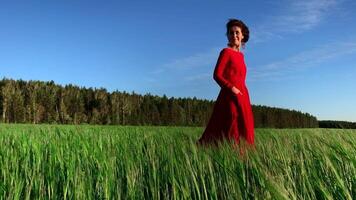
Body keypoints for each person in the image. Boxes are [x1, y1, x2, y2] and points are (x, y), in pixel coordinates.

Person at [198, 18, 255, 150]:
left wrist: (240, 92)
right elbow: (217, 75)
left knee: (244, 126)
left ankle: (243, 158)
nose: (234, 35)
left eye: (237, 32)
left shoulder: (242, 56)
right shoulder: (226, 52)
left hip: (243, 96)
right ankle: (225, 155)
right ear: (228, 36)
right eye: (231, 33)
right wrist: (232, 88)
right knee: (231, 126)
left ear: (242, 35)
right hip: (229, 95)